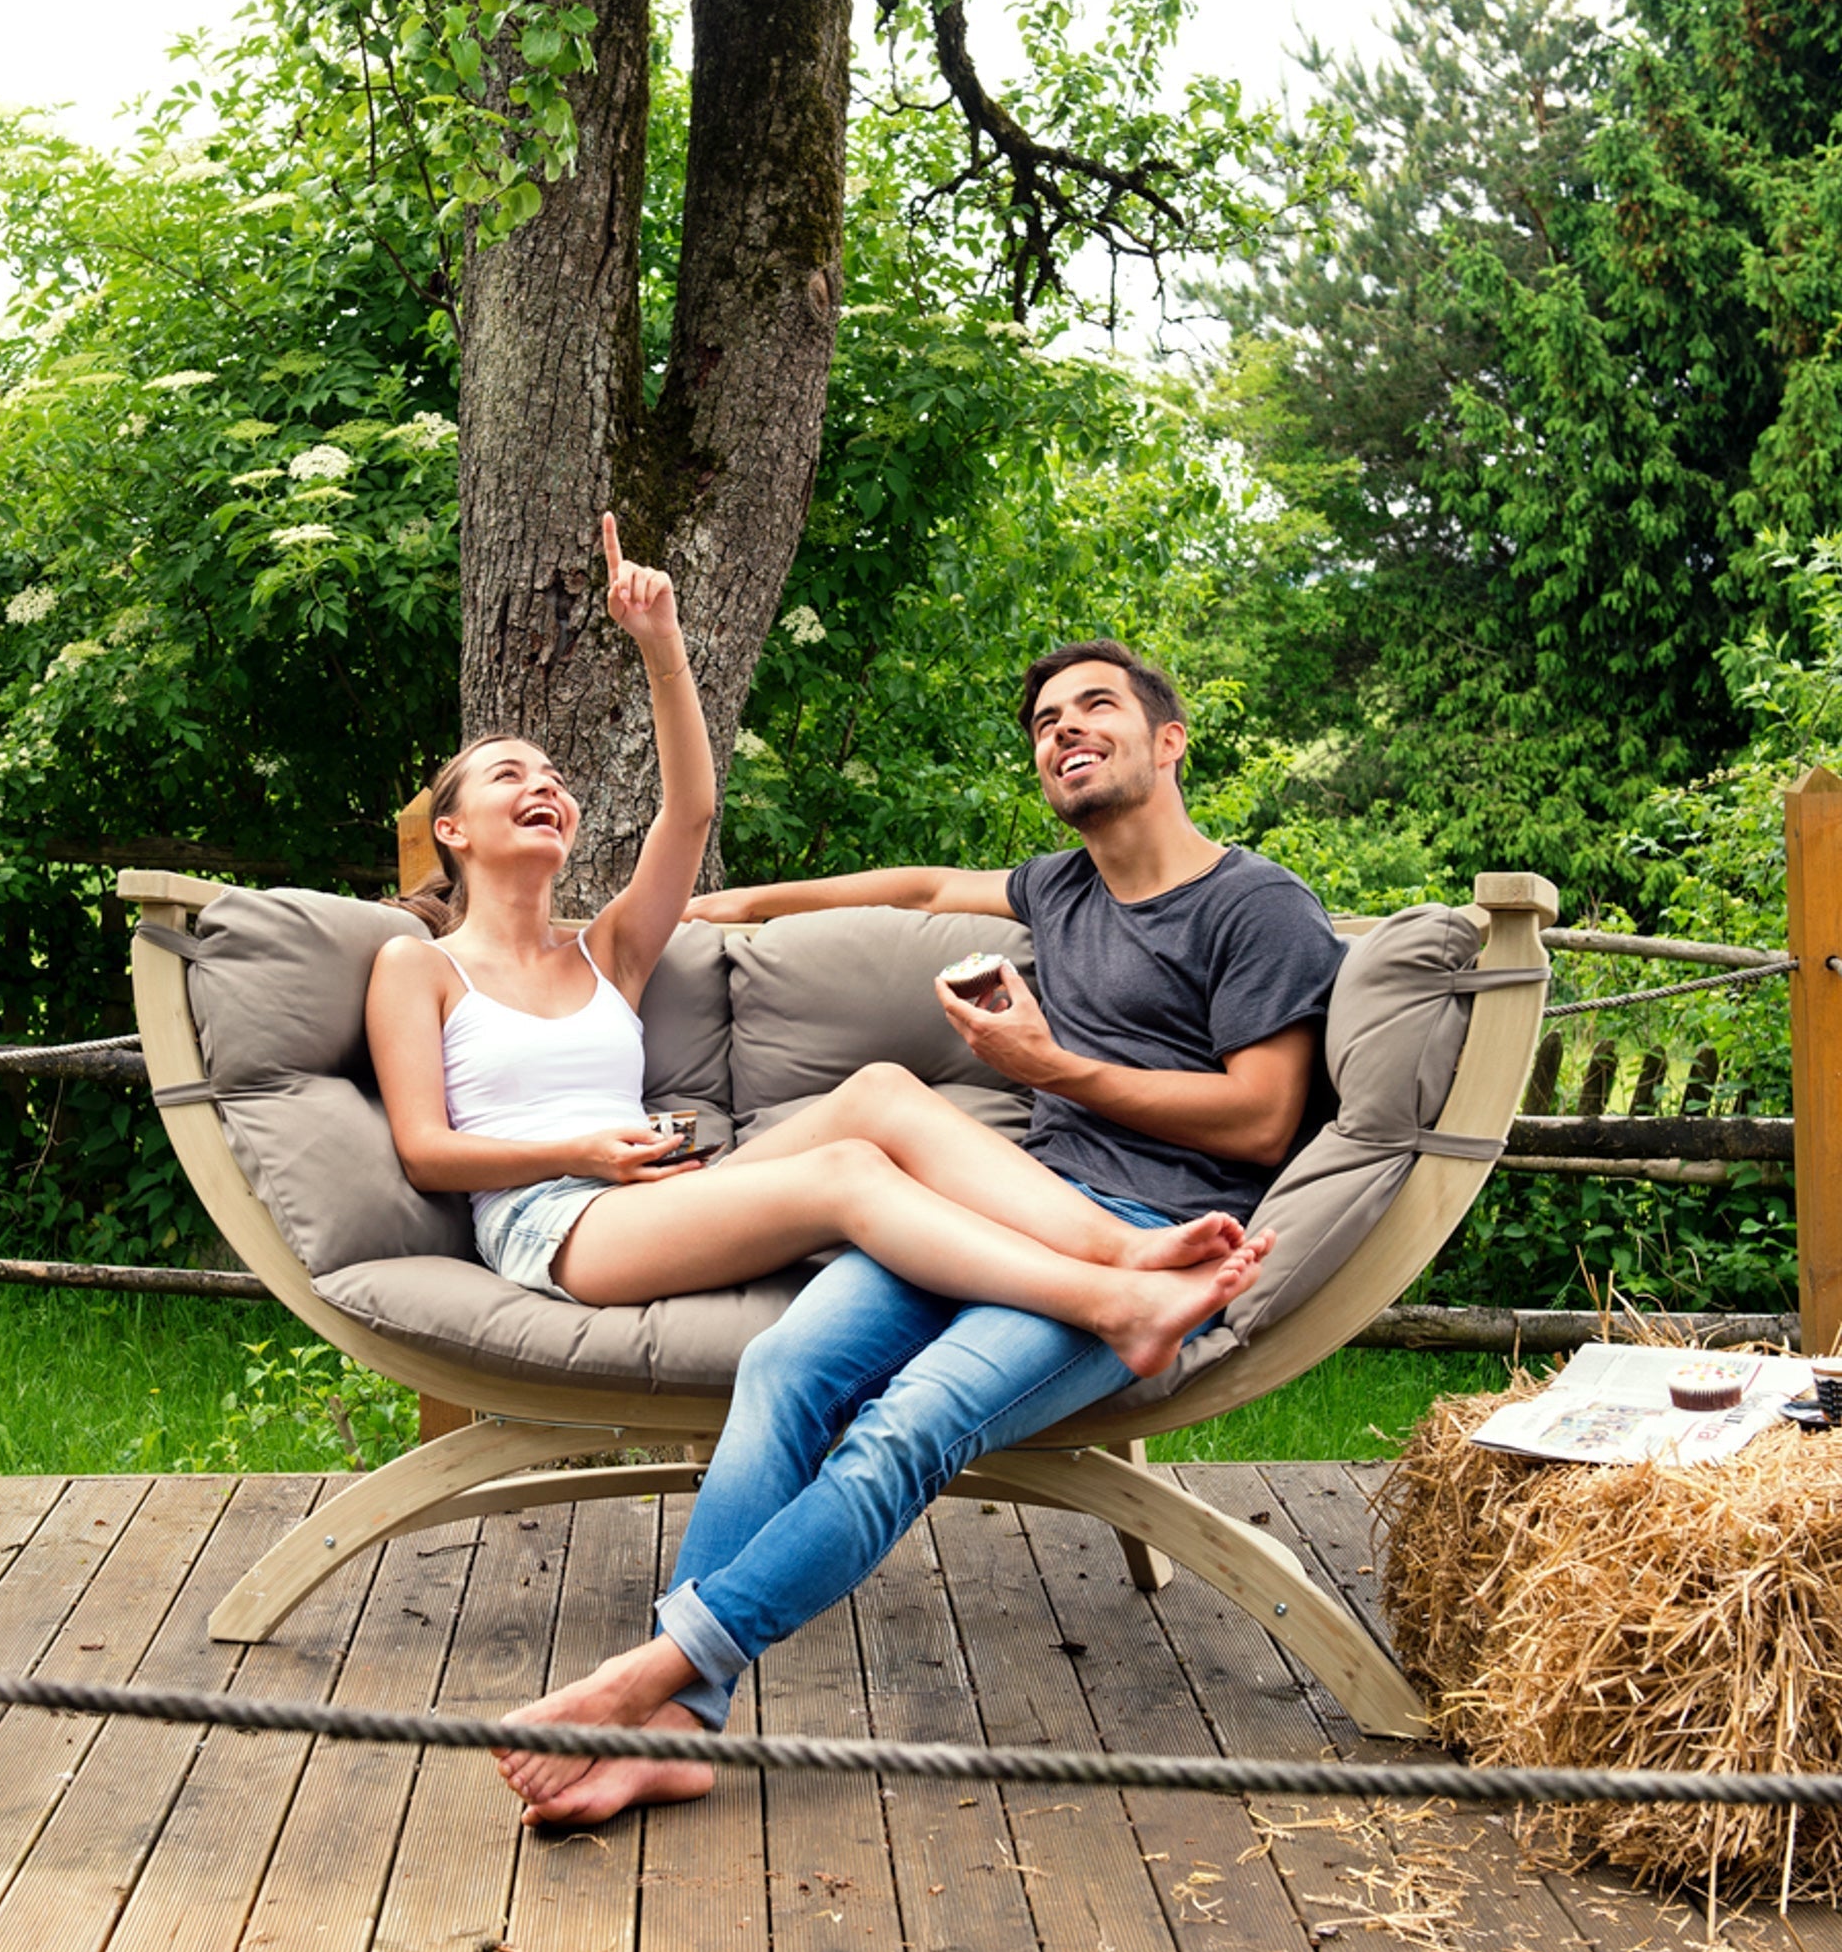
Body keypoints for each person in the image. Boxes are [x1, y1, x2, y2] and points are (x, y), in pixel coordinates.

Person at [492, 632, 1348, 1828]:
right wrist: (721, 909)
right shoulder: (1060, 887)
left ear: (1167, 739)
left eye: (1091, 706)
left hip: (1156, 1223)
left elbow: (1260, 1121)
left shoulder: (1257, 906)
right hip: (1003, 1198)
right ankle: (685, 1730)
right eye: (1045, 720)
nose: (1061, 729)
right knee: (782, 1365)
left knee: (905, 1427)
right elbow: (910, 887)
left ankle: (652, 1674)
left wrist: (1055, 1064)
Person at [367, 519, 1270, 1392]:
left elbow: (688, 811)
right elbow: (426, 1153)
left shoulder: (608, 954)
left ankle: (1122, 1246)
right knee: (847, 1173)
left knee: (879, 1091)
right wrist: (582, 1152)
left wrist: (660, 642)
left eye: (556, 780)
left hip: (658, 1191)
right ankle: (1114, 1301)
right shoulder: (420, 966)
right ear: (451, 829)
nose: (545, 788)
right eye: (511, 775)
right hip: (555, 1220)